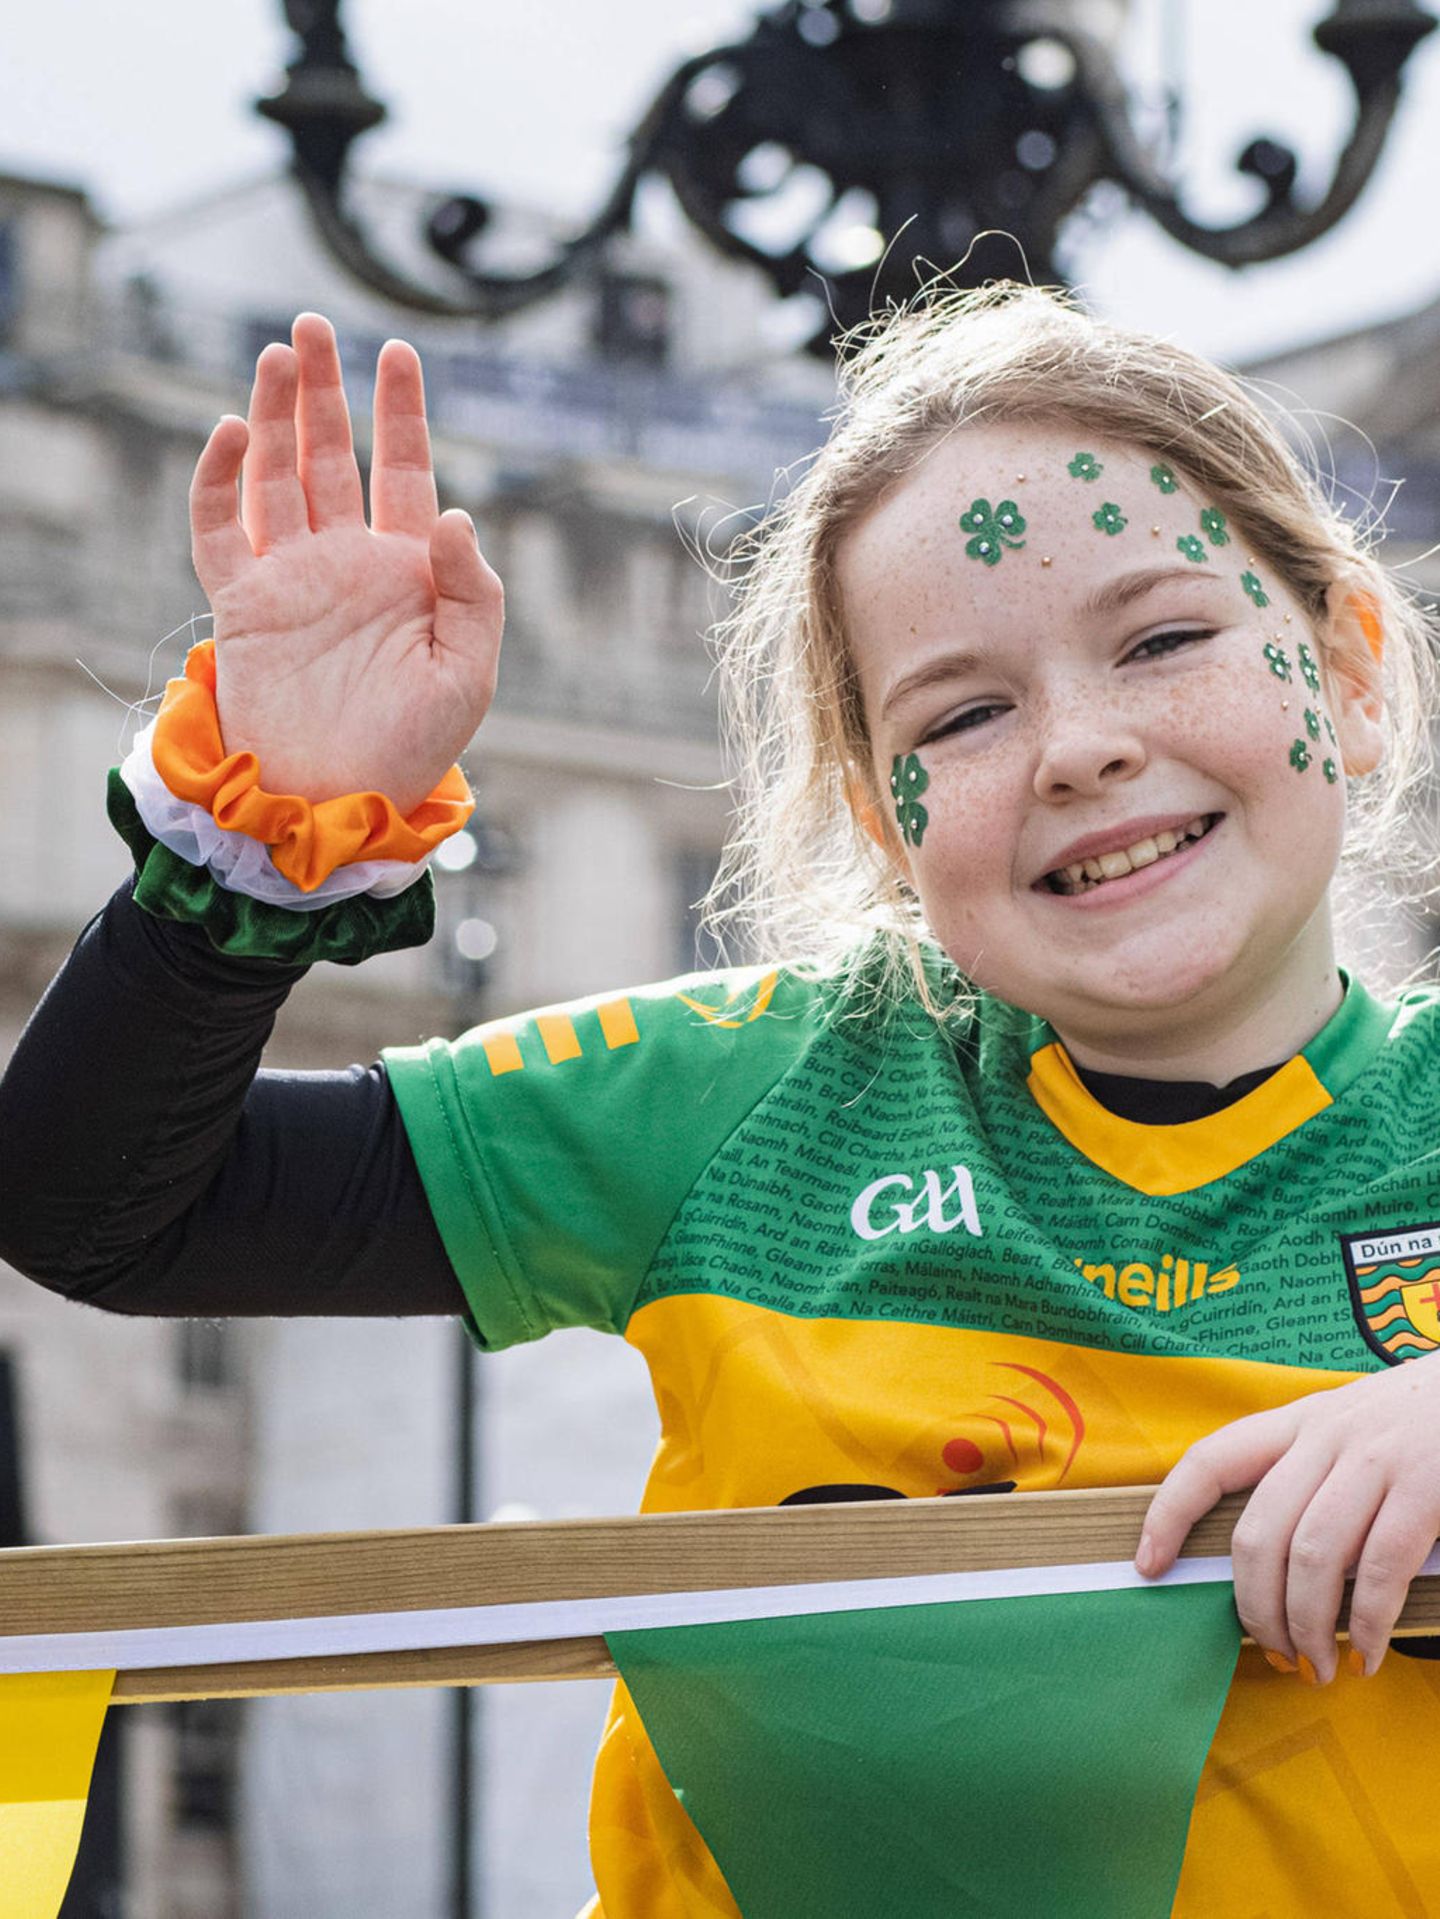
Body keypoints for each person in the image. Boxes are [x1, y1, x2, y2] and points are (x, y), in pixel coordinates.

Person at [4, 285, 1440, 1916]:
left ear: (1351, 670)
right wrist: (253, 842)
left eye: (1165, 636)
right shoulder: (760, 1090)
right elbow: (101, 1209)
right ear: (877, 818)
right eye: (963, 712)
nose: (1078, 749)